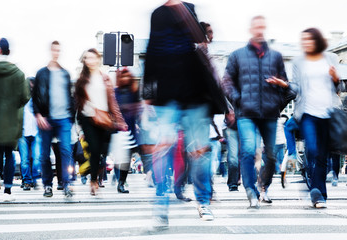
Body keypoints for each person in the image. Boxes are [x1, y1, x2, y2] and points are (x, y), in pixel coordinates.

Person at [143, 0, 228, 226]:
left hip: (195, 91)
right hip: (167, 93)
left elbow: (200, 38)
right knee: (163, 148)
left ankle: (203, 201)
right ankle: (161, 204)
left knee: (199, 152)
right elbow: (151, 50)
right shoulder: (159, 13)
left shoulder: (188, 8)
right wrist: (148, 93)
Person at [223, 16, 292, 208]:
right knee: (248, 150)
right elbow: (226, 81)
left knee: (270, 154)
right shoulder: (237, 55)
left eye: (262, 26)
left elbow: (285, 84)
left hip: (270, 112)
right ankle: (250, 190)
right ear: (251, 29)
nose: (259, 29)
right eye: (256, 26)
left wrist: (279, 95)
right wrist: (238, 99)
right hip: (246, 112)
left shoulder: (276, 56)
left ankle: (264, 187)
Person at [289, 28, 340, 208]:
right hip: (308, 113)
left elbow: (339, 86)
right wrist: (284, 85)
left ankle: (319, 193)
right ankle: (316, 191)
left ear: (317, 40)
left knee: (322, 156)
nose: (306, 43)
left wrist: (335, 78)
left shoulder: (331, 58)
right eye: (303, 40)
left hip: (328, 112)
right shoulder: (298, 62)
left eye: (309, 39)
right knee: (313, 150)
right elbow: (295, 88)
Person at [74, 48, 127, 196]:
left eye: (92, 58)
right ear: (84, 61)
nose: (90, 61)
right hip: (88, 118)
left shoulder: (105, 78)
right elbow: (77, 104)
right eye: (86, 58)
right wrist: (79, 128)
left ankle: (95, 175)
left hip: (104, 119)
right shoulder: (82, 80)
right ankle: (93, 181)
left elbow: (113, 102)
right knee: (95, 149)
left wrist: (120, 120)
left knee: (103, 150)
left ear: (97, 59)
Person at [0, 38, 30, 202]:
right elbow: (25, 97)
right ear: (9, 52)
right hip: (11, 119)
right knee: (9, 154)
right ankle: (8, 191)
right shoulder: (18, 73)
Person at [33, 41, 74, 198]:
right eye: (54, 50)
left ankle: (66, 185)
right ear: (51, 51)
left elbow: (70, 96)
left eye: (59, 50)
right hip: (47, 118)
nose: (56, 52)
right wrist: (38, 115)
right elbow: (35, 96)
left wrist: (71, 117)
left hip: (64, 118)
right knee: (44, 154)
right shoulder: (41, 73)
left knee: (66, 151)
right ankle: (47, 185)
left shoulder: (65, 73)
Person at [18, 77, 41, 191]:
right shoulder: (20, 100)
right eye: (30, 84)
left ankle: (35, 179)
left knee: (37, 158)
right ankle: (27, 181)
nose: (31, 86)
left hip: (36, 132)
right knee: (25, 160)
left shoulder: (38, 98)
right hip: (23, 132)